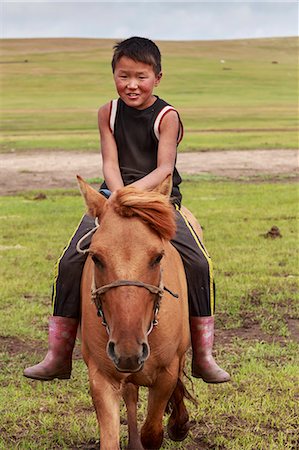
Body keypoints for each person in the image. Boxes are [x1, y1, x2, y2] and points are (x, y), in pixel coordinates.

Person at [24, 37, 230, 383]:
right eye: (123, 76)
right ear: (114, 76)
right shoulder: (108, 112)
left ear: (157, 78)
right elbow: (109, 161)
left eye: (141, 76)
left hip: (157, 201)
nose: (131, 85)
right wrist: (117, 197)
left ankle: (204, 355)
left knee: (198, 262)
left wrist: (132, 196)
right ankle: (58, 354)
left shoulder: (168, 117)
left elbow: (165, 168)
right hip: (113, 196)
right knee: (70, 260)